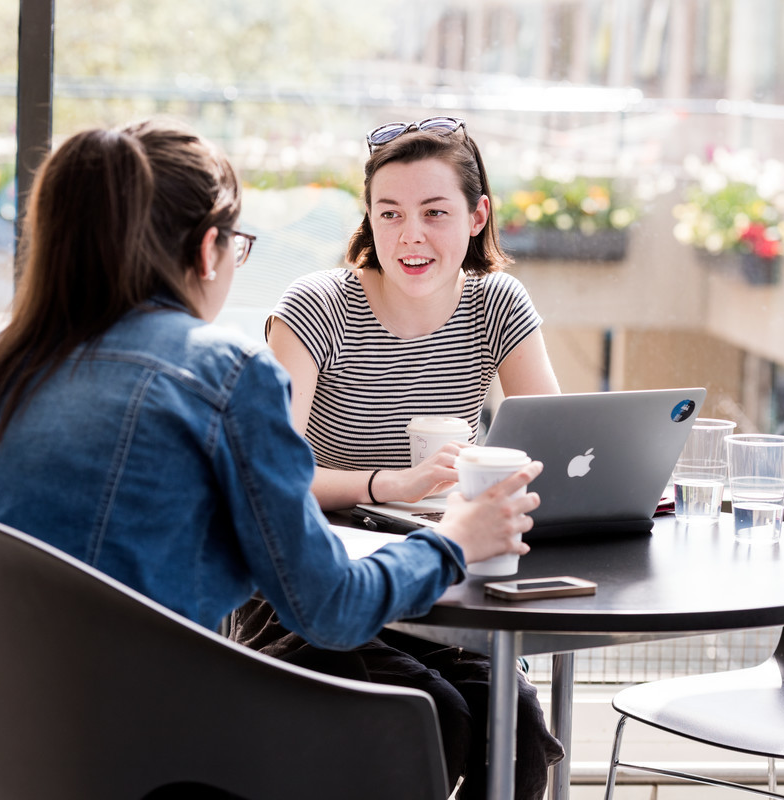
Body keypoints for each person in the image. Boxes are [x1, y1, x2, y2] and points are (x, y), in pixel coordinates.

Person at [0, 117, 544, 655]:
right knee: (454, 719)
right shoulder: (224, 373)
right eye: (237, 242)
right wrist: (453, 538)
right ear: (207, 250)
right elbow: (331, 610)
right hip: (181, 745)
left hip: (14, 751)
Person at [234, 116, 564, 800]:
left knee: (521, 725)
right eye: (389, 213)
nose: (409, 235)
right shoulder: (317, 306)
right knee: (429, 713)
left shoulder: (496, 303)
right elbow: (266, 481)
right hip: (314, 592)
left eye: (433, 213)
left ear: (477, 216)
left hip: (438, 589)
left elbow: (555, 447)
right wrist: (390, 483)